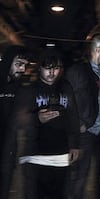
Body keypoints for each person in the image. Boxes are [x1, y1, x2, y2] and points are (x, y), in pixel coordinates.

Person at [18, 48, 80, 199]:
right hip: (35, 156)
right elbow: (19, 120)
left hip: (60, 156)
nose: (52, 73)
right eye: (48, 68)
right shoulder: (30, 90)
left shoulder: (66, 88)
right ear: (40, 68)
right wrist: (37, 119)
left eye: (56, 68)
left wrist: (75, 145)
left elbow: (73, 116)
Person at [65, 35, 100, 199]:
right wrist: (77, 124)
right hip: (86, 131)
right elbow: (67, 99)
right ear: (98, 48)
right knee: (80, 175)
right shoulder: (78, 71)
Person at [0, 45, 29, 199]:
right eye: (18, 64)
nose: (22, 69)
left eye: (24, 65)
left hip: (8, 149)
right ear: (8, 61)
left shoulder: (18, 87)